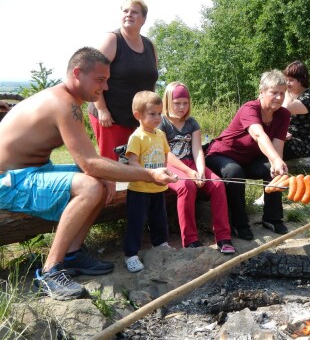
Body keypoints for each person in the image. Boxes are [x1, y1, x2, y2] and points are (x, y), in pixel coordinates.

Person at [0, 47, 177, 300]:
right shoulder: (63, 104)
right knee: (91, 185)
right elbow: (90, 164)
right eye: (100, 80)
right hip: (8, 180)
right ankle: (50, 271)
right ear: (77, 73)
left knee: (103, 181)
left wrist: (113, 174)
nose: (105, 88)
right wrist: (148, 175)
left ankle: (72, 255)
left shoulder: (68, 101)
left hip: (32, 171)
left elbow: (90, 162)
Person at [205, 70, 290, 240]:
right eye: (274, 93)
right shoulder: (249, 108)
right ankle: (239, 223)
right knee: (234, 172)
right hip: (221, 155)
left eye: (282, 93)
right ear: (262, 92)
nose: (279, 98)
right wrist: (274, 159)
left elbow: (277, 145)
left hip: (247, 160)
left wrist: (277, 163)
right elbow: (259, 135)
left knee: (271, 170)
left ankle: (272, 218)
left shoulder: (284, 114)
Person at [159, 82, 235, 253]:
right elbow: (166, 154)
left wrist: (200, 170)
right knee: (187, 186)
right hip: (170, 165)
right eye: (177, 103)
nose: (181, 107)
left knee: (217, 184)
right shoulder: (162, 122)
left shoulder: (192, 123)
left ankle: (223, 237)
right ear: (168, 101)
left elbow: (197, 149)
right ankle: (190, 240)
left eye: (185, 103)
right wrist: (188, 172)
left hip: (192, 164)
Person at [88, 0, 158, 160]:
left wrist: (154, 112)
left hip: (138, 118)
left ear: (144, 19)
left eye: (134, 12)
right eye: (125, 11)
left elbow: (151, 81)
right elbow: (93, 75)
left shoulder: (149, 45)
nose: (129, 15)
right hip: (111, 117)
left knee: (136, 164)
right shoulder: (112, 40)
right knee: (111, 166)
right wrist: (101, 109)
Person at [123, 91, 176, 273]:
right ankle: (131, 254)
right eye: (152, 114)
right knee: (136, 222)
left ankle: (160, 243)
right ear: (138, 115)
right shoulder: (137, 137)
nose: (157, 117)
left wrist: (166, 173)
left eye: (159, 113)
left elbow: (165, 155)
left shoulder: (160, 134)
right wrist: (150, 174)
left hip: (157, 187)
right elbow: (132, 162)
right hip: (139, 188)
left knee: (159, 218)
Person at [281, 61, 310, 160]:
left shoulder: (309, 97)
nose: (287, 83)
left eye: (291, 80)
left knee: (274, 147)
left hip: (302, 142)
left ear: (301, 80)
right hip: (284, 138)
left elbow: (287, 107)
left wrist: (284, 89)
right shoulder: (286, 96)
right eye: (286, 80)